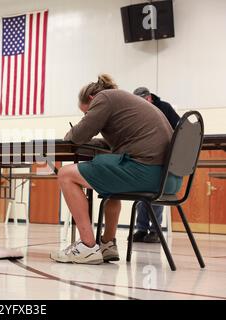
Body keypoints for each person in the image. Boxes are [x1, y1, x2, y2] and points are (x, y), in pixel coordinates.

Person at [51, 74, 182, 265]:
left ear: (91, 99)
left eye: (87, 113)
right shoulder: (126, 100)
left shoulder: (104, 98)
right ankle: (107, 243)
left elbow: (76, 136)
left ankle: (87, 246)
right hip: (170, 178)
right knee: (113, 176)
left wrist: (75, 130)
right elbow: (130, 140)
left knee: (65, 174)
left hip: (149, 173)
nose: (88, 116)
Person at [131, 87, 181, 243]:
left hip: (163, 155)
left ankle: (155, 230)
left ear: (149, 99)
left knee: (156, 193)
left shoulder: (164, 107)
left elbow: (179, 126)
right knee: (141, 194)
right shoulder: (136, 111)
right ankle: (141, 229)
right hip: (144, 154)